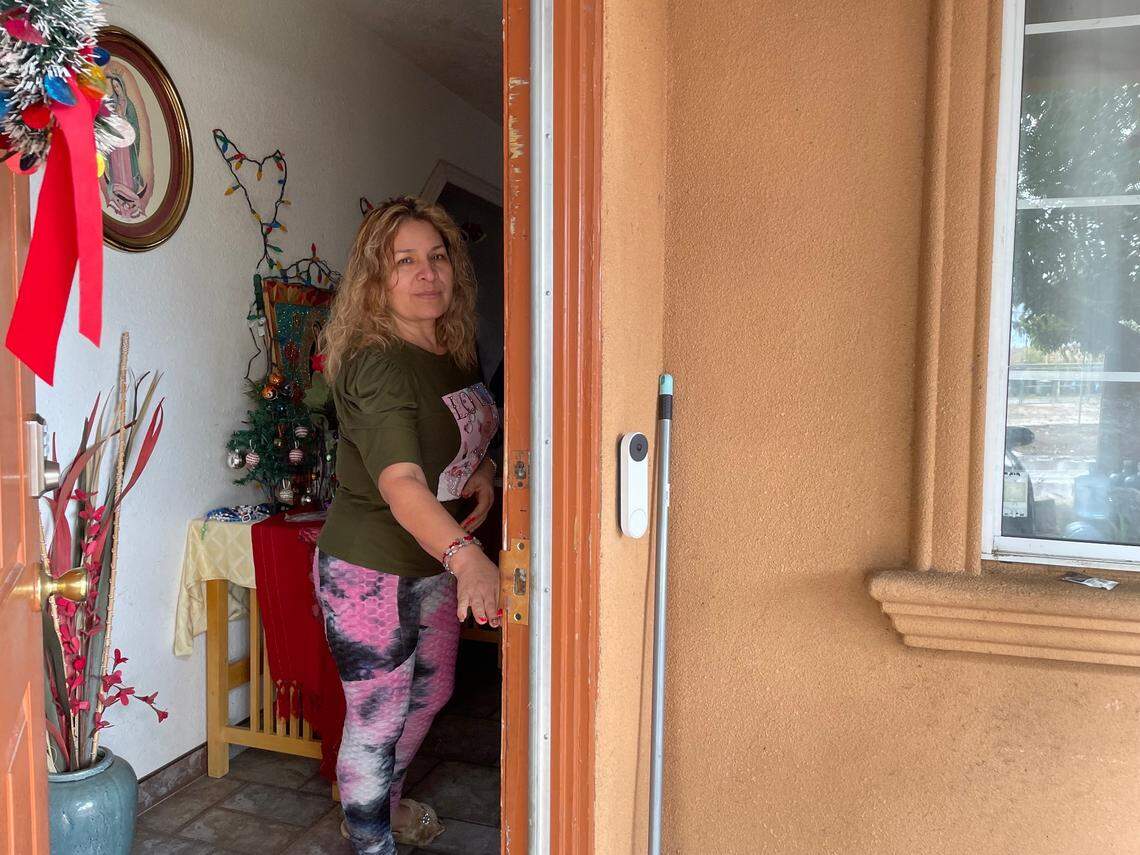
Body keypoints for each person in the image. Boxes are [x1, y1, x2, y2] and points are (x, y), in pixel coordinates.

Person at [314, 196, 502, 854]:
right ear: (376, 280)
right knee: (377, 717)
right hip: (369, 569)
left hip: (428, 564)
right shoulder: (378, 362)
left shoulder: (450, 349)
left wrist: (481, 469)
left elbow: (453, 439)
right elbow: (400, 481)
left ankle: (379, 808)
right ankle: (370, 839)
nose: (427, 272)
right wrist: (468, 556)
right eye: (405, 261)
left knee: (434, 689)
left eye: (437, 255)